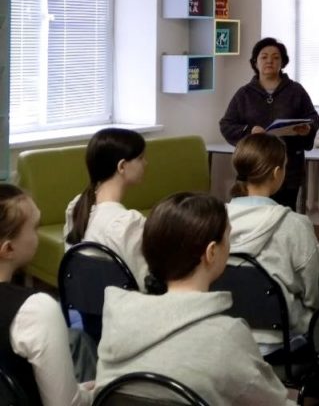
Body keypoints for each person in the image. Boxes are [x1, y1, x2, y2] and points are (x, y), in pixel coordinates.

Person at [94, 193, 288, 406]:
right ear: (211, 252)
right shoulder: (226, 336)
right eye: (228, 238)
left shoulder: (115, 325)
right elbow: (273, 401)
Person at [226, 132, 319, 351]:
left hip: (225, 336)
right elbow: (318, 291)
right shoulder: (294, 225)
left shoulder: (214, 221)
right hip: (280, 344)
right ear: (277, 173)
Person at [0, 184, 93, 406]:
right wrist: (93, 392)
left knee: (77, 340)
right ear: (8, 249)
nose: (38, 235)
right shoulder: (34, 310)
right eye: (35, 227)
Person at [220, 37, 319, 211]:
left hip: (288, 167)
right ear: (255, 62)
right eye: (264, 57)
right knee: (252, 214)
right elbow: (226, 124)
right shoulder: (244, 94)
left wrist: (307, 129)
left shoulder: (296, 91)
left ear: (282, 62)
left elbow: (313, 118)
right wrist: (249, 131)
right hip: (254, 167)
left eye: (275, 57)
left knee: (284, 213)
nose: (270, 61)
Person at [63, 128, 148, 286]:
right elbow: (144, 283)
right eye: (141, 158)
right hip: (119, 301)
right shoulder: (127, 222)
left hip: (83, 300)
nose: (145, 163)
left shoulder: (76, 206)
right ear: (122, 166)